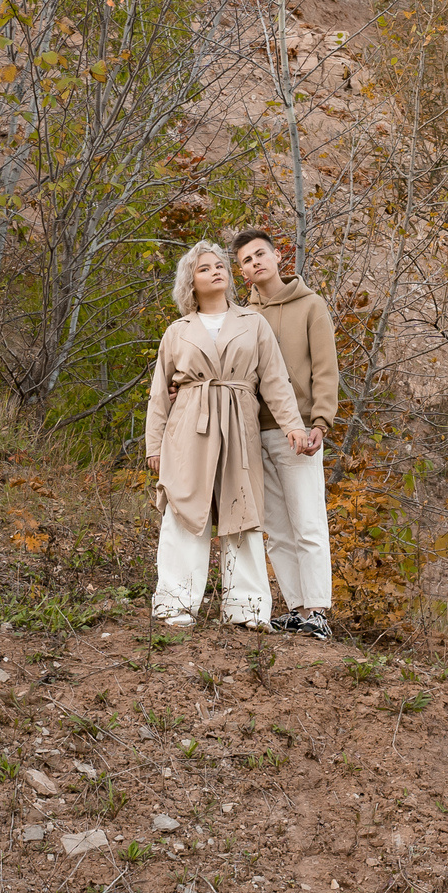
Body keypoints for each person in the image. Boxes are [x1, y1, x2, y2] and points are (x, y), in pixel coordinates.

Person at [142, 240, 311, 632]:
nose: (216, 271)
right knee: (185, 511)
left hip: (239, 425)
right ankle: (175, 604)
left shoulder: (253, 323)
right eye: (205, 268)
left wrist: (292, 426)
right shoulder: (177, 331)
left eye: (220, 266)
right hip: (188, 427)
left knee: (243, 513)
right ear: (191, 281)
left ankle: (247, 609)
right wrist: (154, 445)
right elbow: (158, 392)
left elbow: (275, 381)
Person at [232, 227, 340, 640]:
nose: (256, 262)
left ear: (279, 257)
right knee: (276, 527)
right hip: (255, 432)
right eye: (247, 259)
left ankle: (318, 612)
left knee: (308, 522)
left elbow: (326, 371)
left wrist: (320, 423)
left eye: (261, 254)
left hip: (299, 431)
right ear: (242, 272)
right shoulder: (243, 317)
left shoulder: (311, 306)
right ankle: (297, 609)